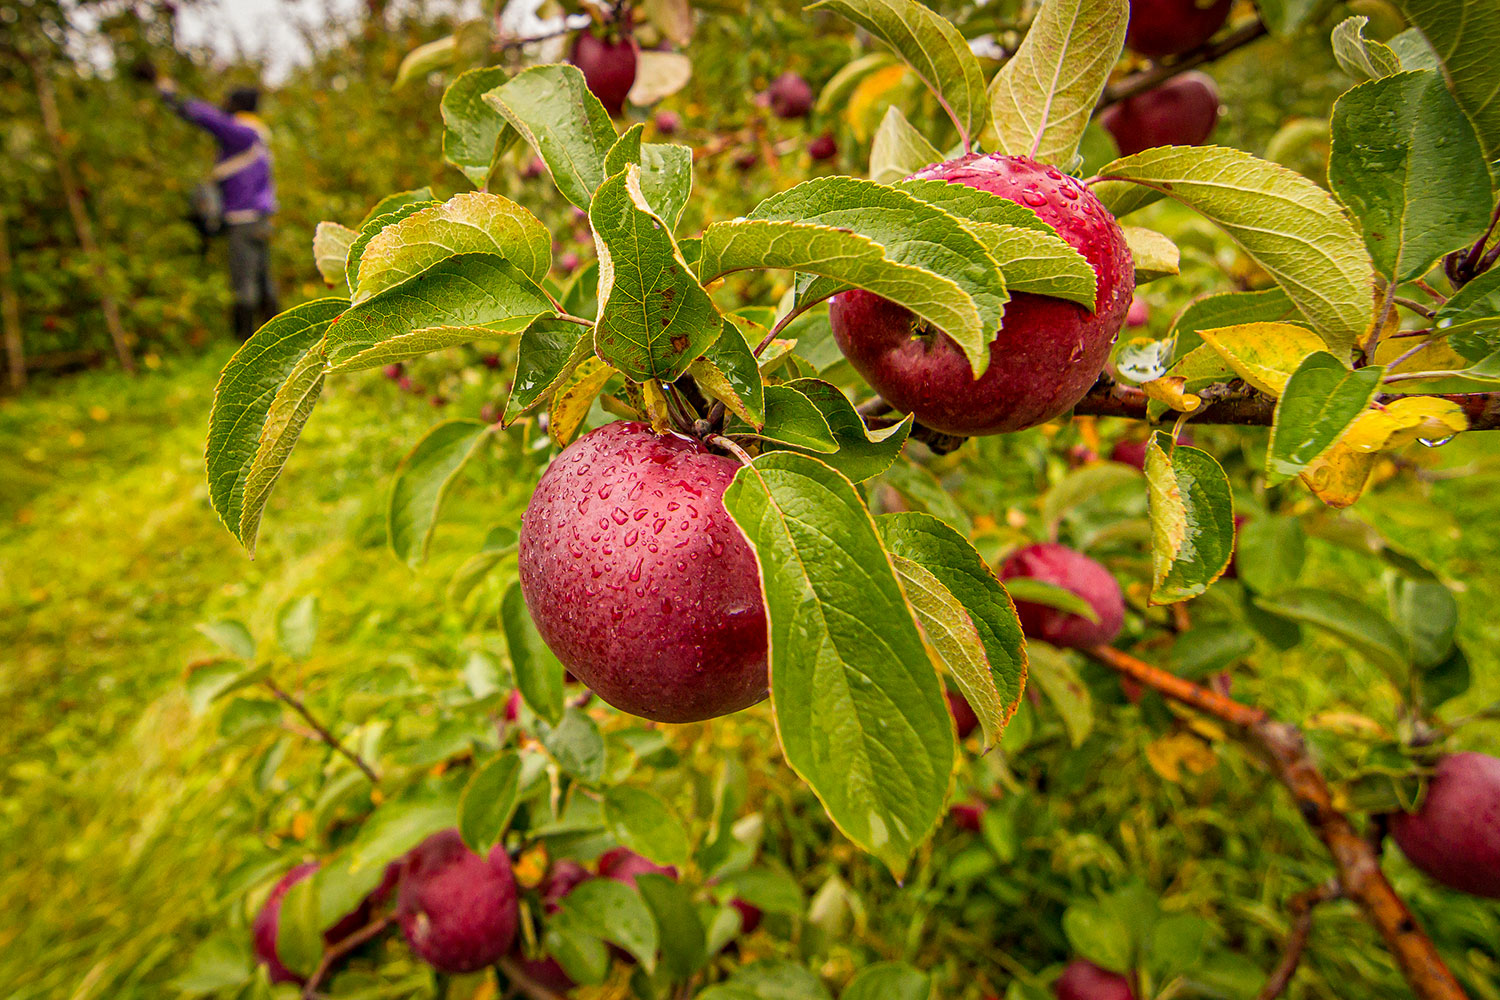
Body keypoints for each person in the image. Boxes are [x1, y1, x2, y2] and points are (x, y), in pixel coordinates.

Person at [140, 65, 279, 340]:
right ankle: (278, 335)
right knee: (264, 279)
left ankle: (246, 342)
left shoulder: (242, 134)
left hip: (243, 219)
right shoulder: (258, 134)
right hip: (261, 218)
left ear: (237, 105)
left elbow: (207, 118)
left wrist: (168, 92)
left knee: (244, 282)